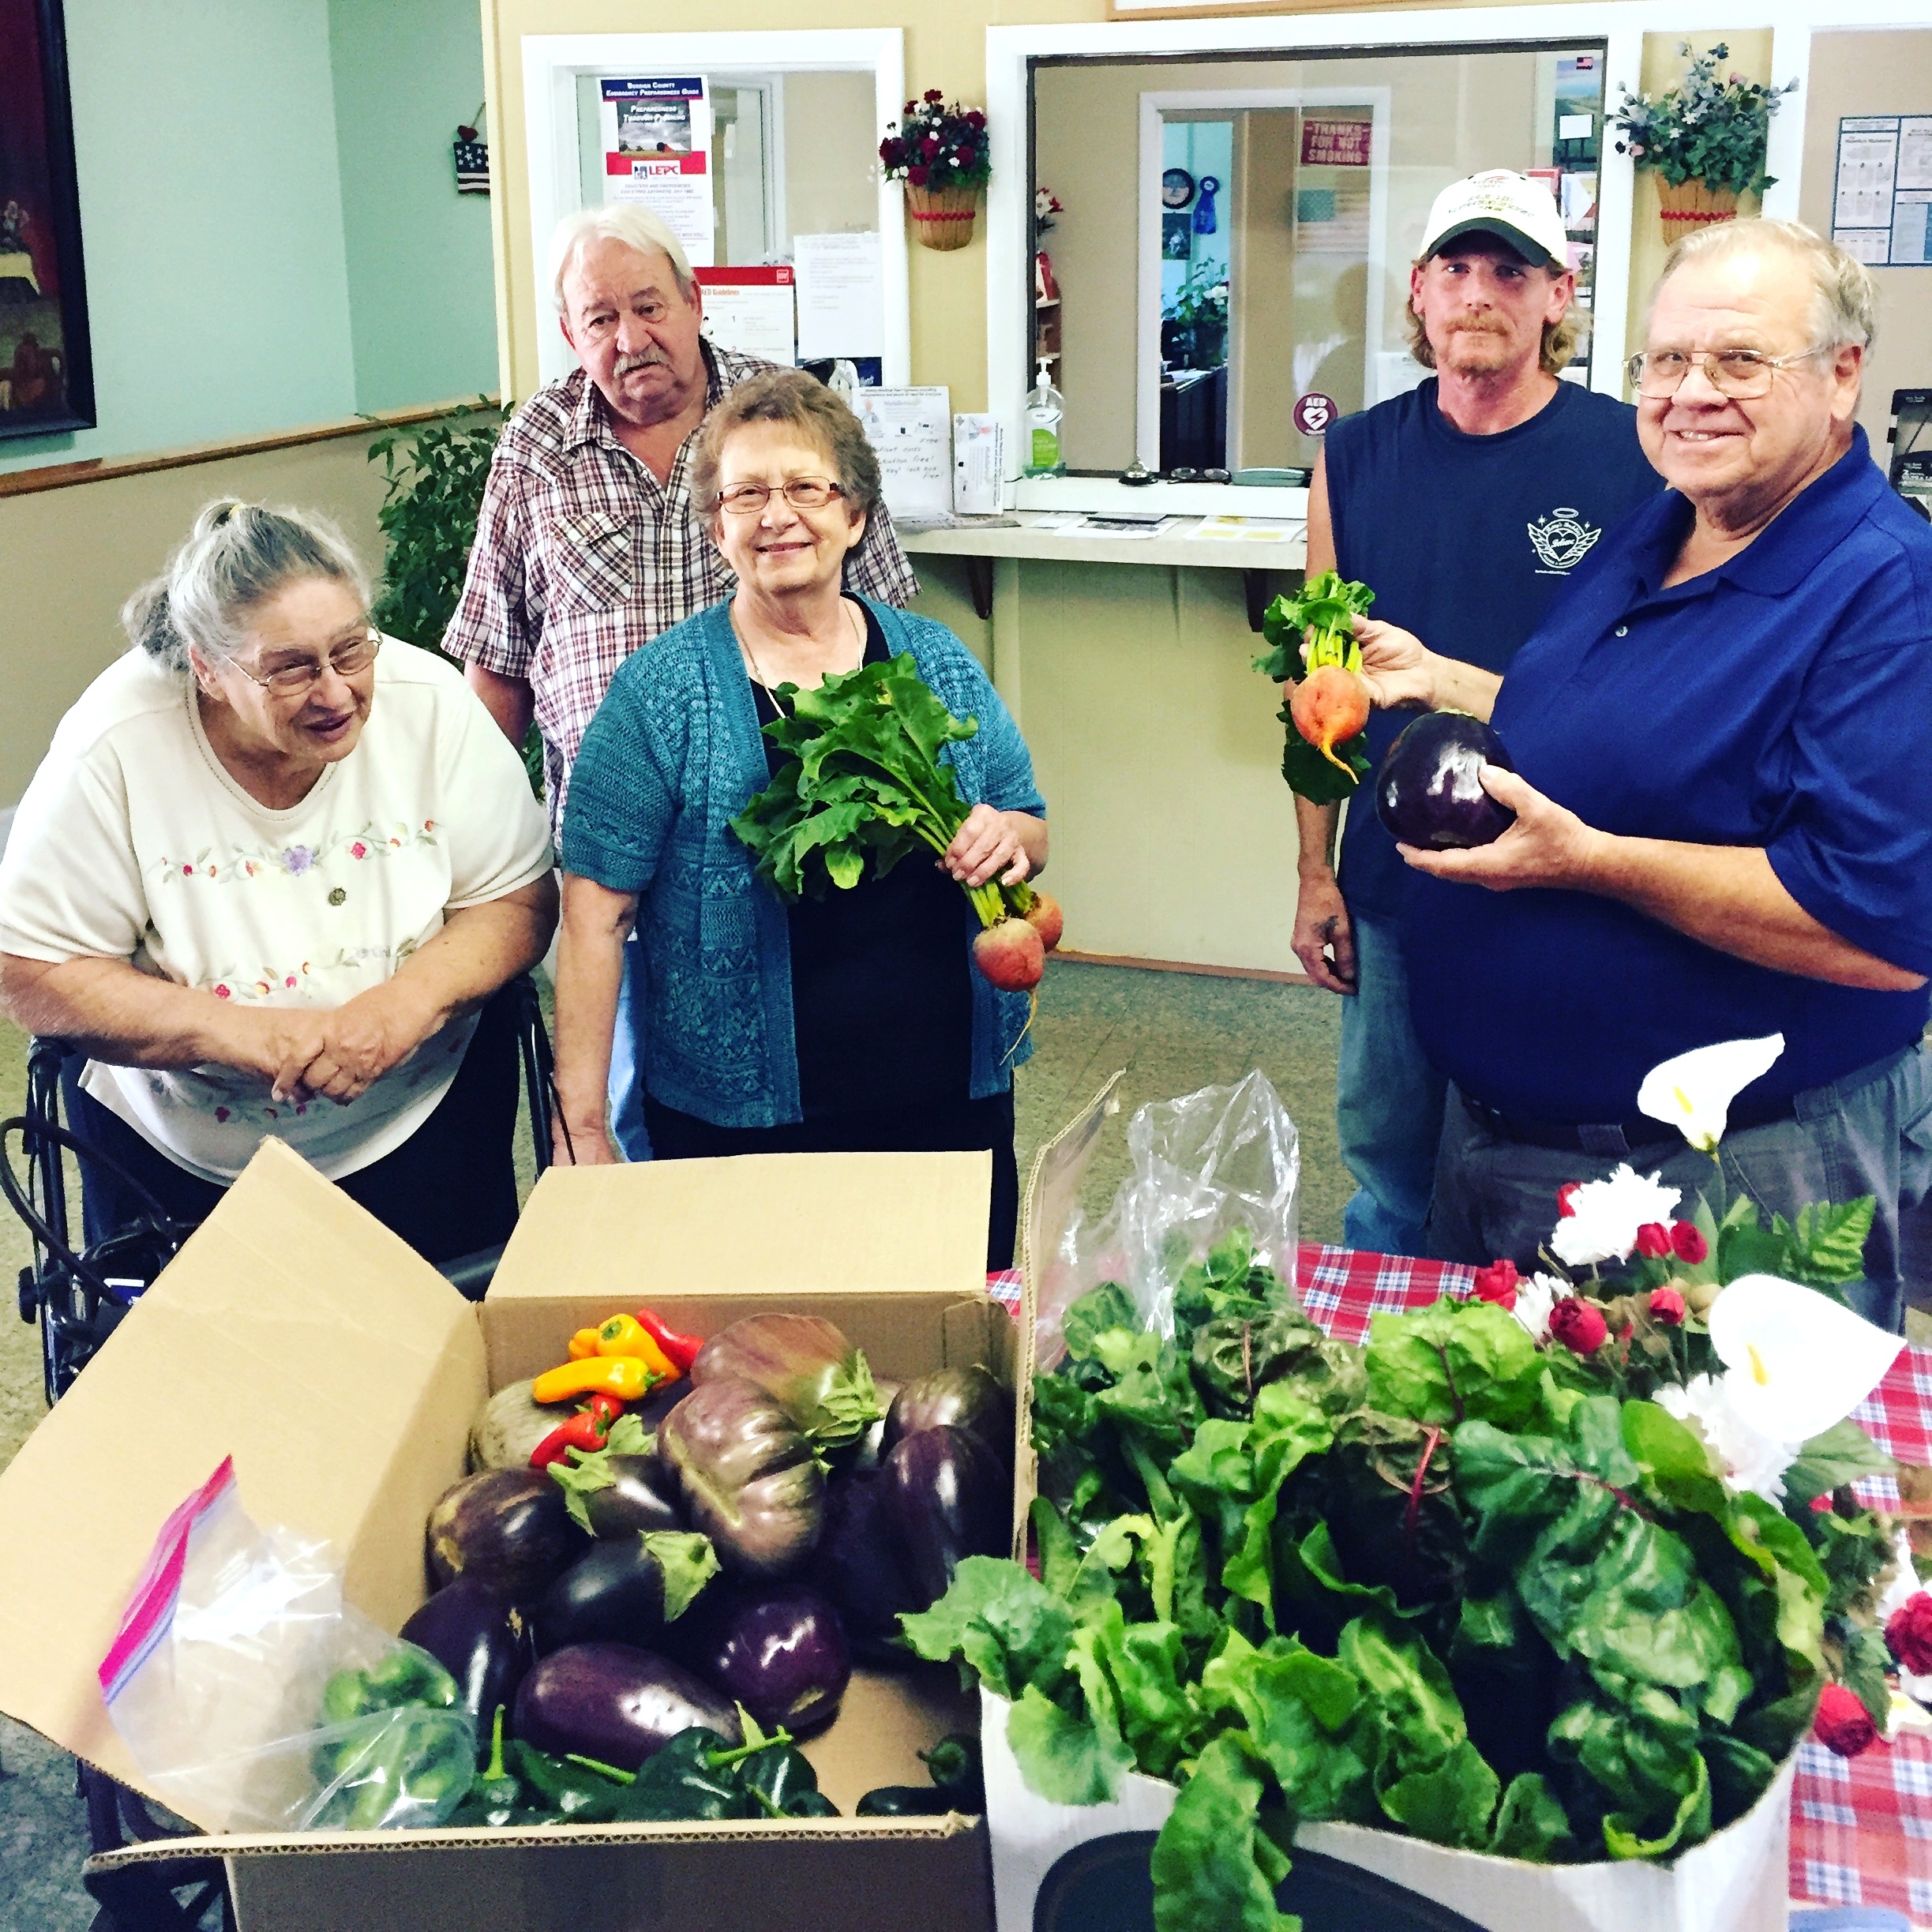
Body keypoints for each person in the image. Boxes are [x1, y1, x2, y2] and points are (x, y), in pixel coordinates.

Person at [1351, 220, 1932, 1331]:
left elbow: (1875, 926)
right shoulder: (1667, 524)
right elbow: (1608, 732)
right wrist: (1452, 682)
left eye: (1737, 360)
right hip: (1507, 1150)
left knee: (1711, 1491)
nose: (1689, 392)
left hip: (1724, 1184)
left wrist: (1592, 863)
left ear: (1840, 373)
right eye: (1664, 361)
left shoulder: (1883, 592)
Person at [443, 204, 919, 1161]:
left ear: (695, 301)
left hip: (777, 852)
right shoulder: (534, 448)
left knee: (796, 1112)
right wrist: (465, 859)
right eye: (598, 320)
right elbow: (494, 669)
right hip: (608, 868)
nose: (629, 339)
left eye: (648, 306)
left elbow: (885, 628)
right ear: (570, 333)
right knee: (615, 1126)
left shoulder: (782, 416)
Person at [550, 371, 1045, 1268]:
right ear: (716, 528)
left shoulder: (930, 654)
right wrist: (580, 1121)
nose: (776, 515)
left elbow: (1028, 818)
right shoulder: (659, 692)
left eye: (805, 488)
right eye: (744, 493)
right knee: (765, 1359)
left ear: (853, 514)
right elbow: (593, 912)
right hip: (739, 1118)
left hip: (944, 1094)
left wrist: (1005, 837)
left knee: (949, 1345)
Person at [0, 501, 557, 1265]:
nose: (335, 691)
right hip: (186, 1143)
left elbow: (516, 898)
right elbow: (30, 970)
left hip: (421, 1109)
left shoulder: (427, 702)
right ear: (207, 667)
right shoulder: (115, 743)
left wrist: (396, 1010)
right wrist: (247, 1036)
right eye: (291, 667)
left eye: (352, 650)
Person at [1292, 170, 1662, 1258]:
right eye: (1454, 267)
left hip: (1566, 872)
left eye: (1509, 270)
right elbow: (1317, 691)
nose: (1476, 293)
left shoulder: (1631, 454)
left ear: (1557, 295)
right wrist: (1315, 866)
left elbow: (1652, 685)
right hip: (1393, 878)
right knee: (1391, 1166)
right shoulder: (1353, 455)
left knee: (1566, 1177)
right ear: (1417, 291)